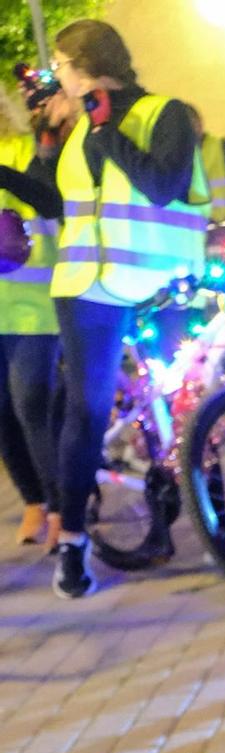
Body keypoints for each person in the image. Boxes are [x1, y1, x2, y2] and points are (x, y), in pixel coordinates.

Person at [46, 19, 206, 599]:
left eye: (58, 65)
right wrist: (41, 155)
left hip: (160, 280)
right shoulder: (74, 124)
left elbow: (164, 185)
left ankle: (209, 519)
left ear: (80, 61)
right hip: (87, 284)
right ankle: (71, 546)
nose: (54, 77)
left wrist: (106, 128)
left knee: (189, 403)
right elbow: (62, 201)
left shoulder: (162, 112)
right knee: (87, 412)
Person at [0, 67, 66, 547]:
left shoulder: (25, 150)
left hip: (30, 304)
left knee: (32, 406)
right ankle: (33, 500)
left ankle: (65, 506)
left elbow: (46, 199)